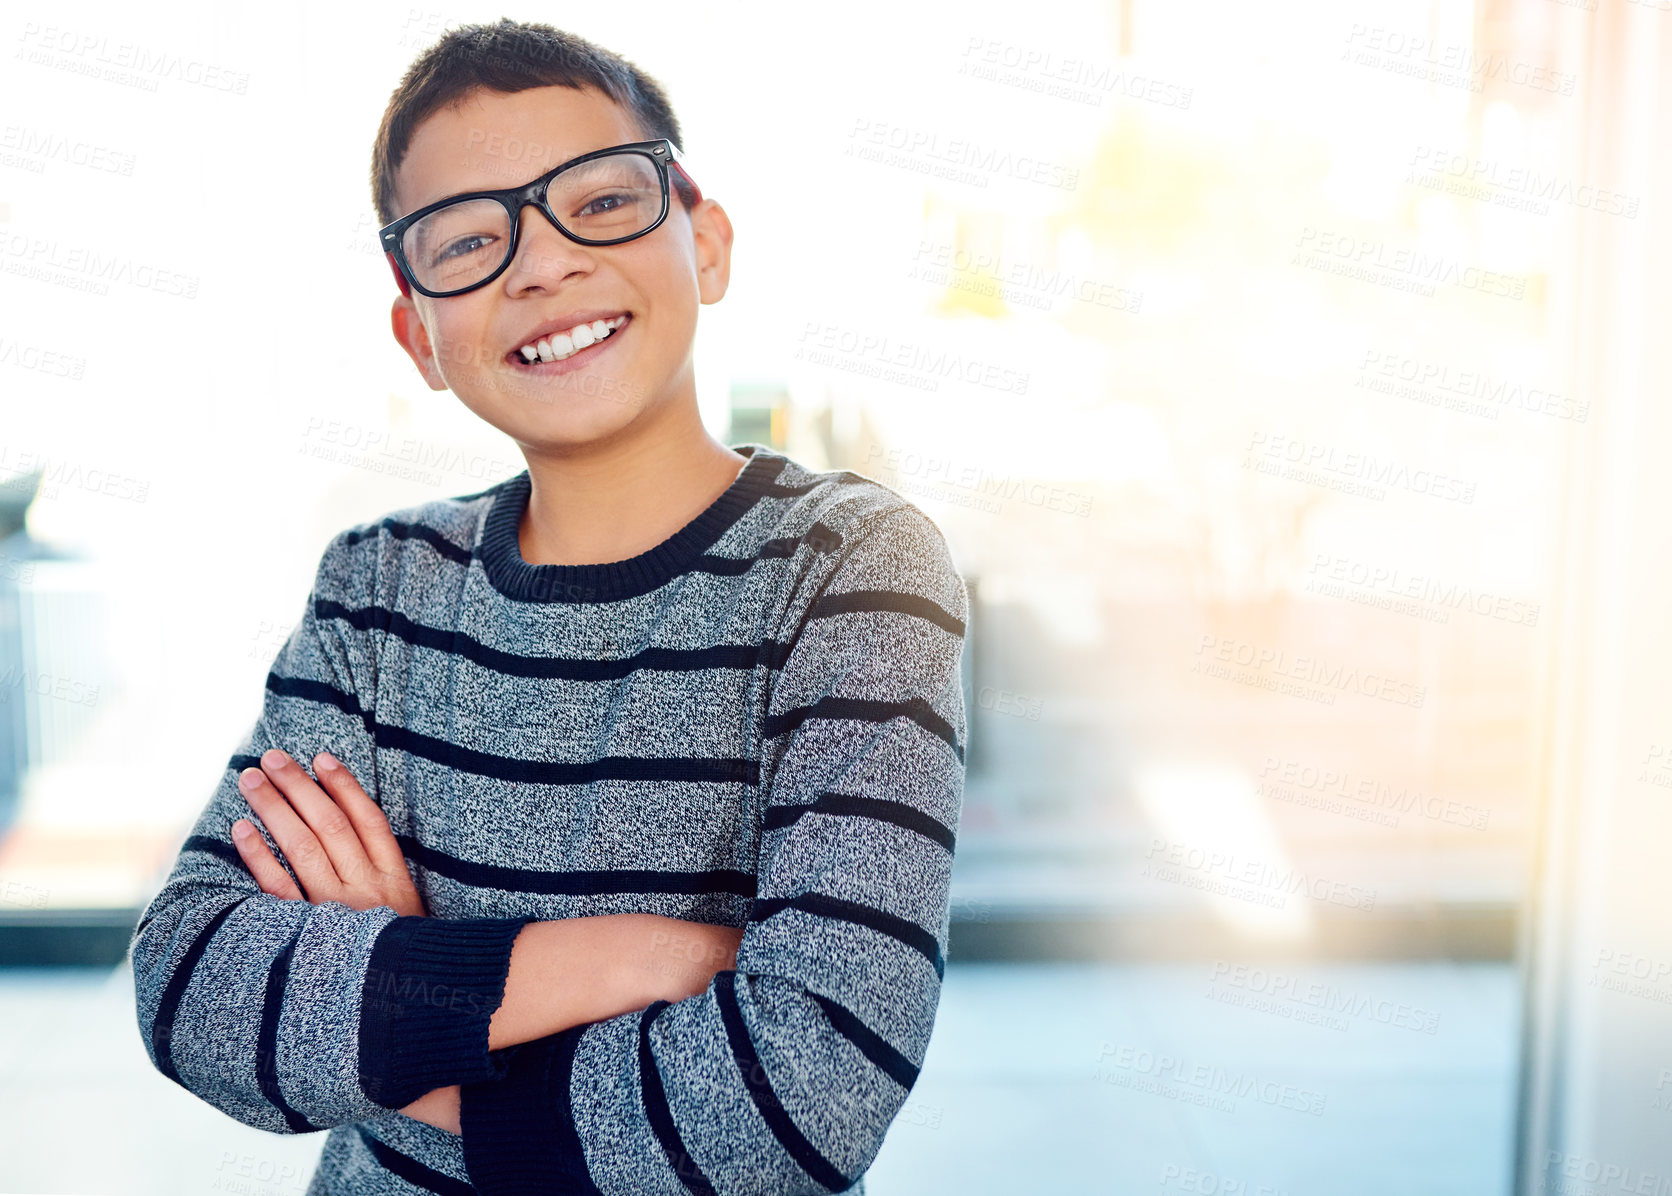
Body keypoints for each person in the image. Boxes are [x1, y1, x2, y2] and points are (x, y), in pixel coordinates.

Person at [129, 18, 968, 1195]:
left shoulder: (849, 566)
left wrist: (400, 988)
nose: (541, 263)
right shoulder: (378, 586)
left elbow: (803, 1092)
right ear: (418, 333)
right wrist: (644, 957)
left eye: (602, 201)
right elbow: (189, 981)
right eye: (469, 240)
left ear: (707, 240)